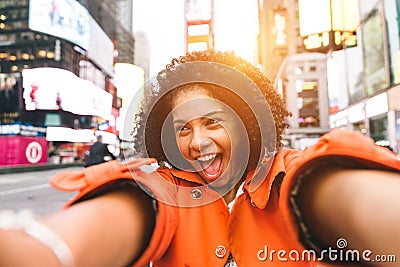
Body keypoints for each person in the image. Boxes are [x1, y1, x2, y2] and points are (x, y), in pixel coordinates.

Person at [0, 50, 399, 267]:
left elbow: (343, 197)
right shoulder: (164, 190)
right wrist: (40, 250)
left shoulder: (295, 176)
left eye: (213, 122)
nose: (197, 142)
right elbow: (113, 219)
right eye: (182, 129)